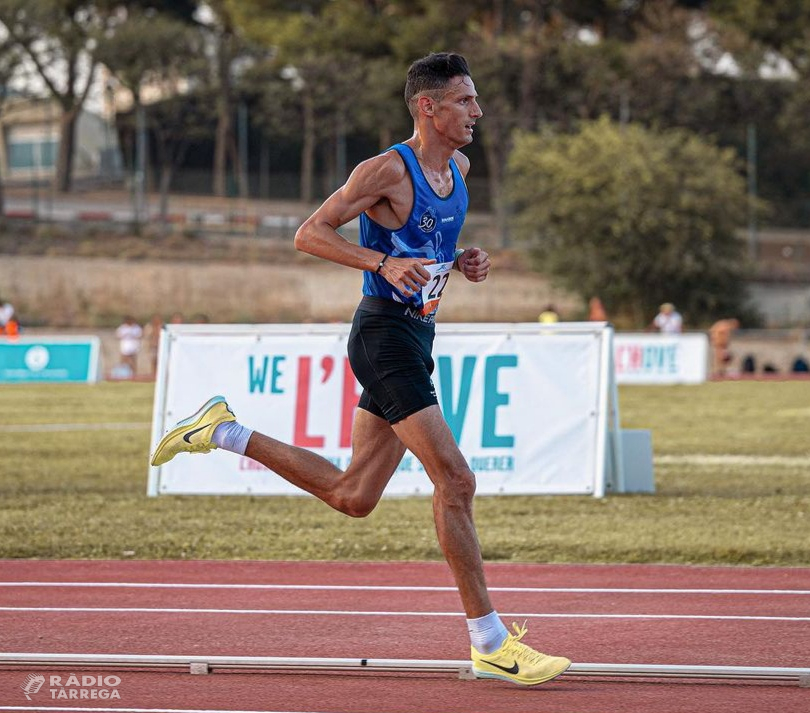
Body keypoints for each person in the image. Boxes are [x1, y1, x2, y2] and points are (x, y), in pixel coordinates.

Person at [150, 52, 570, 687]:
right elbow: (310, 233)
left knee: (353, 496)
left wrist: (463, 260)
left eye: (476, 100)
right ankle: (490, 641)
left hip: (416, 337)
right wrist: (377, 262)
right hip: (382, 339)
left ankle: (224, 431)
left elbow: (426, 245)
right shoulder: (383, 170)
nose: (477, 113)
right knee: (455, 480)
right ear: (427, 107)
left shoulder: (456, 166)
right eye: (464, 101)